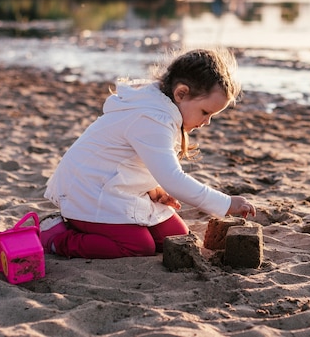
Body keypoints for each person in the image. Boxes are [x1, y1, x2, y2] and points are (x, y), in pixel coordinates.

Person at [40, 48, 256, 259]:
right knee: (138, 246)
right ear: (181, 93)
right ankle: (56, 239)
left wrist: (154, 189)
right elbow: (173, 177)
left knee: (175, 237)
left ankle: (94, 229)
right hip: (88, 193)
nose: (207, 122)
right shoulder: (152, 118)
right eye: (205, 112)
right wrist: (225, 203)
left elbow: (135, 161)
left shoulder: (160, 109)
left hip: (115, 189)